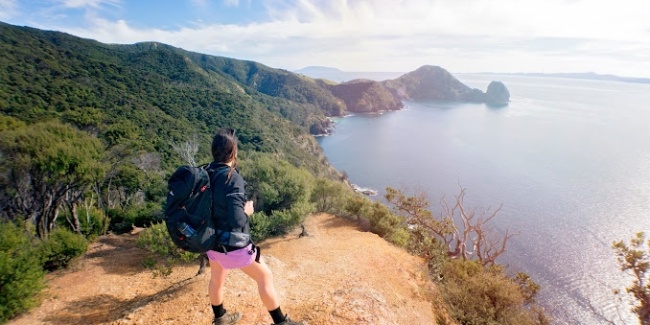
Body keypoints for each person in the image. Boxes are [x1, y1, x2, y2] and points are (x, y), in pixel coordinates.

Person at [206, 128, 306, 325]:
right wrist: (248, 211)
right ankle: (281, 322)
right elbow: (237, 221)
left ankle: (221, 318)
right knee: (265, 277)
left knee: (216, 277)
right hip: (232, 244)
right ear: (233, 152)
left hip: (211, 241)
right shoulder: (231, 178)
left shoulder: (206, 172)